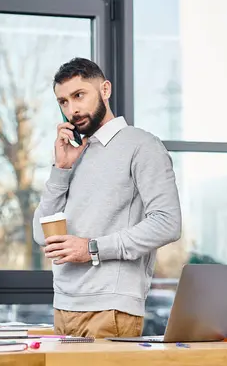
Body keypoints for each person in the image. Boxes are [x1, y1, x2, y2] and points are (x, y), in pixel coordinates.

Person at [33, 58, 182, 338]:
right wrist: (61, 170)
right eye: (63, 101)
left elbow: (168, 223)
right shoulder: (73, 154)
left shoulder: (142, 145)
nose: (72, 109)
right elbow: (41, 235)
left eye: (79, 95)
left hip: (111, 310)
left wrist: (91, 249)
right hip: (62, 307)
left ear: (105, 89)